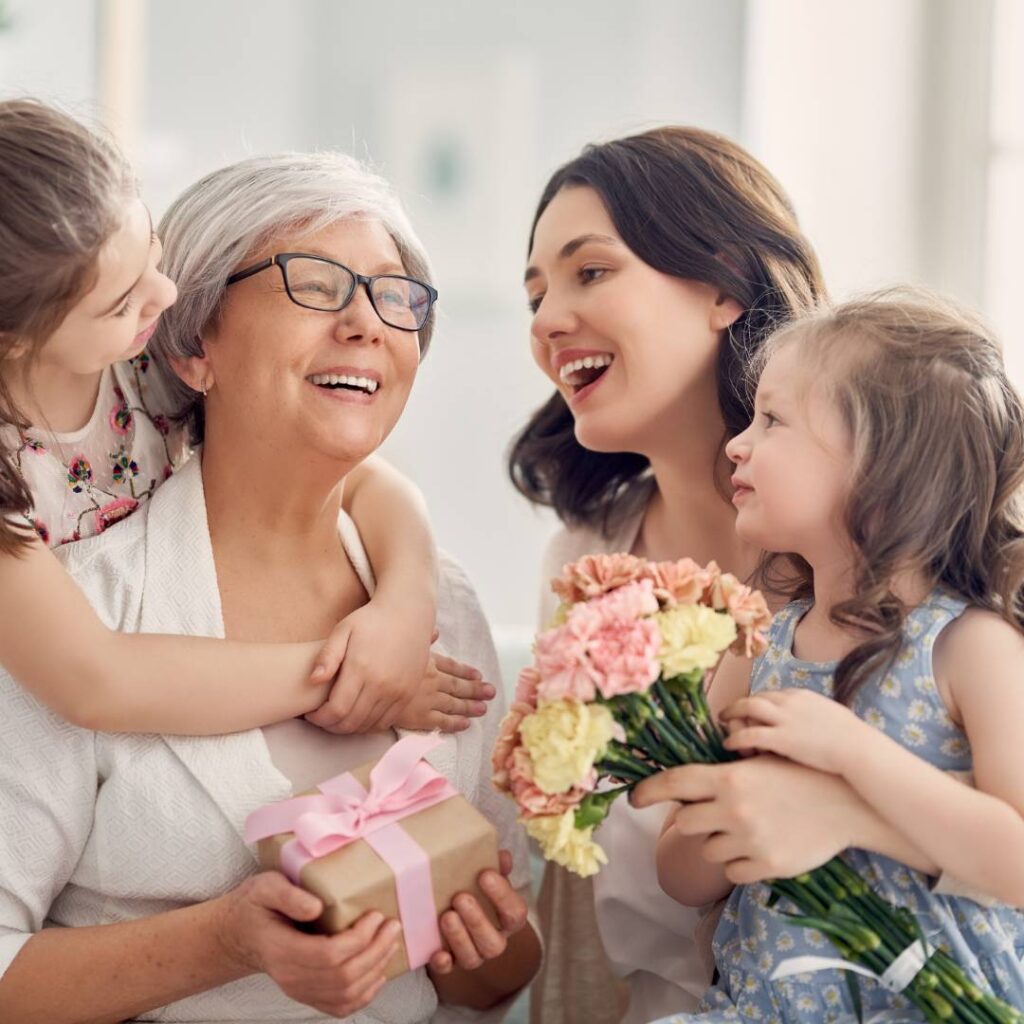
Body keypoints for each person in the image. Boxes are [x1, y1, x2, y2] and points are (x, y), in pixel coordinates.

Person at [0, 150, 540, 1023]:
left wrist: (490, 945)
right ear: (191, 347)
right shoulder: (70, 605)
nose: (367, 322)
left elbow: (489, 984)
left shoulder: (440, 606)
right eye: (316, 283)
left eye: (394, 295)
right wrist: (223, 942)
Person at [0, 98, 491, 738]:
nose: (167, 295)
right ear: (16, 339)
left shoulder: (140, 361)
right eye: (123, 301)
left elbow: (368, 479)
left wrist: (405, 604)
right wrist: (354, 680)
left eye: (151, 252)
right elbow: (98, 681)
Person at [512, 125, 827, 1024]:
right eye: (535, 293)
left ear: (725, 285)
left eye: (590, 272)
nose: (544, 320)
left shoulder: (877, 545)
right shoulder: (582, 564)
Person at [637, 289, 1024, 1019]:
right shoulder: (758, 645)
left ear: (886, 466)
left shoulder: (970, 648)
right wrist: (722, 812)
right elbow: (681, 877)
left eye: (773, 420)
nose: (737, 443)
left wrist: (851, 762)